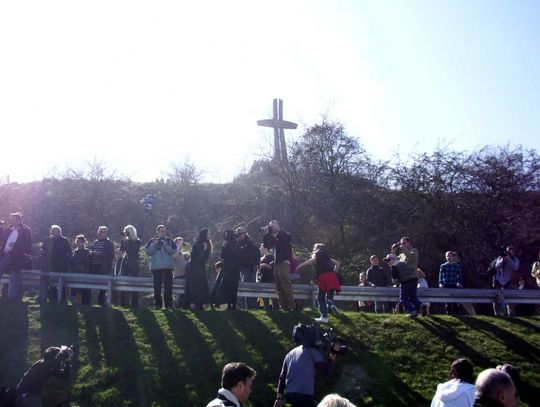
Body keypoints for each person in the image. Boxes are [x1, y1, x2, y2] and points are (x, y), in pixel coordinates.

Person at [274, 340, 341, 407]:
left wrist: (279, 398)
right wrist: (332, 356)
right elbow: (326, 372)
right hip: (304, 395)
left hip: (289, 395)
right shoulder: (314, 351)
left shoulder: (289, 354)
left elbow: (282, 377)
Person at [296, 244, 341, 323]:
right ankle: (331, 304)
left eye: (314, 248)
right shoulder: (327, 257)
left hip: (323, 277)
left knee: (321, 297)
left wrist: (300, 266)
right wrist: (334, 273)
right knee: (330, 295)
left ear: (317, 249)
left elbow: (310, 261)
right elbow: (337, 264)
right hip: (332, 276)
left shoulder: (317, 255)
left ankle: (324, 317)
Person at [262, 220, 295, 311]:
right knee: (278, 287)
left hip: (283, 262)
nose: (272, 228)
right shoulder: (274, 236)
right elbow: (266, 246)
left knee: (286, 284)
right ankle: (283, 306)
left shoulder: (283, 234)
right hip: (276, 263)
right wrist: (266, 235)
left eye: (273, 226)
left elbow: (279, 243)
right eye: (270, 226)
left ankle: (291, 306)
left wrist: (270, 235)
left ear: (278, 225)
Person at [0, 212, 32, 302]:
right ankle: (11, 297)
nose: (14, 221)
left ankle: (12, 297)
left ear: (20, 220)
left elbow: (28, 243)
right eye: (13, 219)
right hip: (6, 254)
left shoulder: (25, 230)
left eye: (16, 219)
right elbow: (2, 238)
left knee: (14, 275)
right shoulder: (9, 229)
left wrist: (24, 253)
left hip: (17, 256)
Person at [145, 225, 176, 309]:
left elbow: (173, 251)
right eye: (161, 231)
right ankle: (157, 305)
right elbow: (148, 252)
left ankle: (168, 305)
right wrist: (154, 244)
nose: (163, 233)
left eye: (164, 231)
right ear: (157, 232)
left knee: (168, 287)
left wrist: (165, 245)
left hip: (167, 268)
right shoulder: (151, 241)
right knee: (157, 287)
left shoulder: (169, 240)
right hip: (156, 268)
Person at [40, 225, 72, 304]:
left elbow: (69, 252)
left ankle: (63, 300)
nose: (56, 233)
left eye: (57, 231)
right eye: (54, 231)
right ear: (52, 232)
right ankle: (52, 299)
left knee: (62, 284)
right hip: (52, 265)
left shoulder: (64, 240)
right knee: (52, 284)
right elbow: (43, 249)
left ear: (60, 232)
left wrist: (67, 262)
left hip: (62, 265)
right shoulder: (49, 240)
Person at [384, 253, 422, 318]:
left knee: (403, 299)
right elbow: (412, 270)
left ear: (393, 260)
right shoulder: (404, 263)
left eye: (388, 260)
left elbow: (395, 280)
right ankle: (422, 307)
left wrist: (396, 284)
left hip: (405, 282)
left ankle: (412, 312)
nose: (387, 262)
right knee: (413, 298)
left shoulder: (394, 266)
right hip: (414, 280)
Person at [211, 230, 241, 311]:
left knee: (231, 287)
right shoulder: (229, 244)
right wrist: (224, 246)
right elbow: (223, 256)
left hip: (233, 269)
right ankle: (226, 305)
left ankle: (231, 305)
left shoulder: (235, 243)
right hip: (228, 267)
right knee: (225, 287)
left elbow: (235, 256)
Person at [184, 228, 212, 310]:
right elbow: (200, 257)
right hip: (193, 267)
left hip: (199, 267)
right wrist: (205, 249)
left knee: (201, 286)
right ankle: (192, 304)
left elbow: (205, 259)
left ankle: (200, 304)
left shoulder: (205, 244)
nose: (210, 235)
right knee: (194, 285)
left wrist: (206, 249)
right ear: (205, 234)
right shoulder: (198, 243)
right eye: (209, 233)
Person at [235, 227, 260, 309]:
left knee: (251, 287)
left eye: (241, 234)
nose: (240, 236)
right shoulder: (238, 244)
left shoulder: (250, 242)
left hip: (251, 268)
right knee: (245, 286)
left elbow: (257, 254)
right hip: (243, 268)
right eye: (238, 234)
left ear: (245, 233)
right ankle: (249, 306)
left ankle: (254, 306)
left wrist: (255, 264)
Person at [89, 226, 115, 306]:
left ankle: (101, 305)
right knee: (90, 285)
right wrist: (91, 253)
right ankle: (88, 305)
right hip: (93, 266)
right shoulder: (95, 242)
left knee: (102, 288)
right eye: (99, 231)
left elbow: (111, 256)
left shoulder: (109, 243)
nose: (100, 233)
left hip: (103, 267)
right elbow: (91, 250)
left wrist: (100, 254)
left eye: (102, 232)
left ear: (106, 233)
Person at [490, 247, 519, 316]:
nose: (509, 253)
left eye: (510, 252)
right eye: (508, 252)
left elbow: (516, 267)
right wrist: (502, 260)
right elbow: (496, 266)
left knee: (510, 298)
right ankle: (498, 314)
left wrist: (508, 259)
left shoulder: (515, 259)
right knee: (496, 297)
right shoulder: (500, 258)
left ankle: (511, 314)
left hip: (508, 281)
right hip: (498, 280)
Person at [119, 225, 142, 308]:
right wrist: (124, 240)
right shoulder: (125, 240)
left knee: (134, 282)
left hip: (134, 262)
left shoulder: (138, 241)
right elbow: (122, 249)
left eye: (126, 231)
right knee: (123, 281)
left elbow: (132, 251)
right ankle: (123, 303)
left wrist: (126, 241)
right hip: (126, 261)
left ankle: (134, 304)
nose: (125, 233)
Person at [70, 235, 90, 305]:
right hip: (74, 273)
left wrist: (83, 268)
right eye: (77, 241)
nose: (78, 243)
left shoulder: (86, 251)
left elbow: (87, 263)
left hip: (82, 274)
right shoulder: (75, 251)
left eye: (80, 242)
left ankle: (81, 305)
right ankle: (76, 304)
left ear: (83, 242)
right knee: (74, 290)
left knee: (81, 290)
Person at [172, 236, 189, 308]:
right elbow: (174, 257)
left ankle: (184, 306)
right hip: (177, 275)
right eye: (179, 243)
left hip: (185, 275)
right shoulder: (173, 252)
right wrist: (179, 247)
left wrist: (189, 248)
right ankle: (177, 306)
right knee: (178, 293)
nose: (181, 244)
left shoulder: (184, 254)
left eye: (182, 242)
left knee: (184, 292)